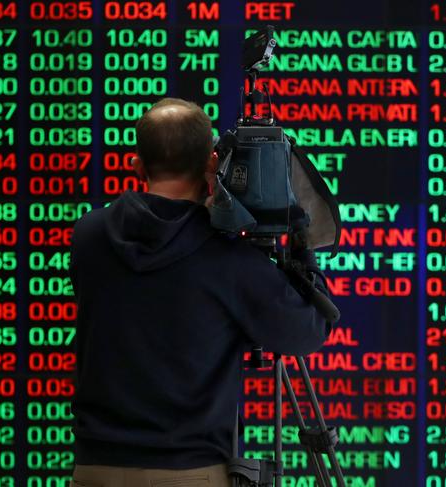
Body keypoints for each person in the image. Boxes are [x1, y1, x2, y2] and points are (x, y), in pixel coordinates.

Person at [69, 98, 331, 487]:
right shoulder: (228, 257)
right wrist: (300, 247)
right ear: (211, 163)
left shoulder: (88, 236)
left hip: (95, 470)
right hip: (191, 472)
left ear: (137, 164)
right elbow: (307, 330)